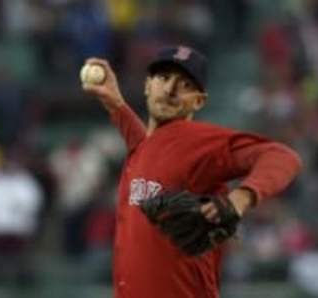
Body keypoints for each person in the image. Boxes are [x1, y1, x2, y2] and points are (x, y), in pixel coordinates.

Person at [82, 45, 302, 298]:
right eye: (163, 78)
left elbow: (283, 157)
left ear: (199, 101)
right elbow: (148, 149)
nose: (170, 89)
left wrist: (237, 201)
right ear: (147, 86)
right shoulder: (147, 147)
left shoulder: (201, 143)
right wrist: (116, 105)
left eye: (185, 84)